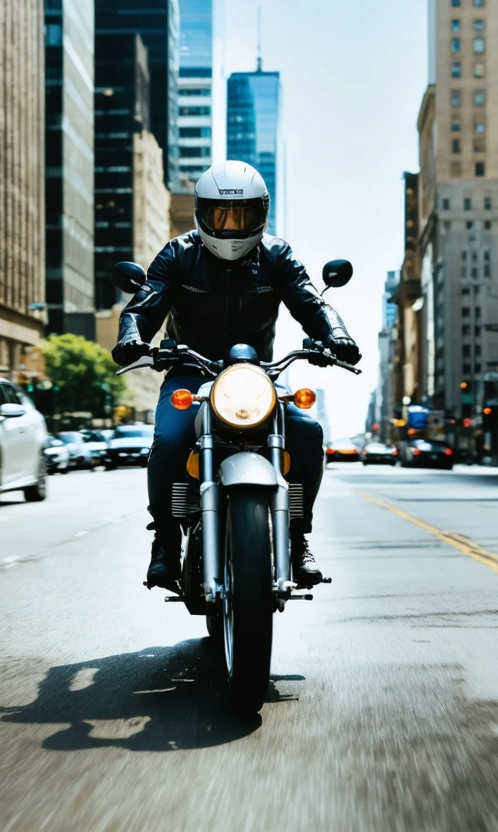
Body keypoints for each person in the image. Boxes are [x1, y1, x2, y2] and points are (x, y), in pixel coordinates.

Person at [111, 161, 361, 591]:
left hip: (258, 376)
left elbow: (311, 303)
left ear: (260, 214)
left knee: (305, 431)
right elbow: (144, 304)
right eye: (221, 215)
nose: (230, 227)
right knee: (170, 438)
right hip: (191, 371)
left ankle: (297, 536)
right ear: (202, 214)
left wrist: (336, 335)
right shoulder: (179, 254)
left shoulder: (277, 255)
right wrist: (132, 337)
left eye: (241, 216)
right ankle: (166, 539)